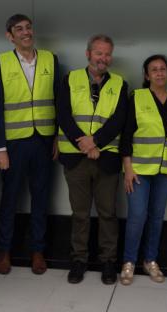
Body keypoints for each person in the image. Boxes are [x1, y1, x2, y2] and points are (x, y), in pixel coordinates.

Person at [0, 14, 59, 275]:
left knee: (41, 198)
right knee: (9, 199)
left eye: (29, 27)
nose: (26, 32)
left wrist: (57, 138)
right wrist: (0, 148)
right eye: (19, 29)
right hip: (14, 144)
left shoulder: (50, 59)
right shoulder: (1, 62)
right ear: (10, 36)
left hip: (43, 141)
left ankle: (38, 251)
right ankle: (4, 250)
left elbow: (58, 102)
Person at [57, 34, 128, 284]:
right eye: (98, 53)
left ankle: (109, 261)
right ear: (88, 54)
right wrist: (84, 143)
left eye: (107, 54)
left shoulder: (120, 84)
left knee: (108, 212)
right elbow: (64, 115)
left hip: (106, 159)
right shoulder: (70, 79)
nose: (103, 58)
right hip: (76, 159)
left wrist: (95, 141)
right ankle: (79, 260)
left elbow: (119, 120)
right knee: (80, 214)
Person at [119, 55, 167, 286]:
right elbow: (126, 135)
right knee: (137, 216)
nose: (159, 73)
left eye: (163, 69)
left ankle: (150, 260)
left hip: (166, 170)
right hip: (138, 169)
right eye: (154, 70)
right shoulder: (136, 97)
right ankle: (129, 262)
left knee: (156, 217)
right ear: (146, 75)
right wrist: (127, 167)